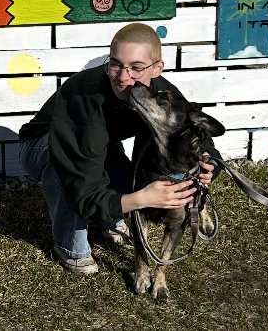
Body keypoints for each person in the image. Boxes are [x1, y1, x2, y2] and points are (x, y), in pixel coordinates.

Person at [18, 22, 220, 274]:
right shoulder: (87, 104)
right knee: (70, 173)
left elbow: (191, 125)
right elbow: (84, 190)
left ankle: (110, 217)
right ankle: (71, 247)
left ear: (157, 68)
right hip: (46, 143)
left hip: (99, 145)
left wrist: (209, 164)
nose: (124, 77)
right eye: (115, 64)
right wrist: (140, 199)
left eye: (136, 67)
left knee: (125, 179)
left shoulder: (158, 92)